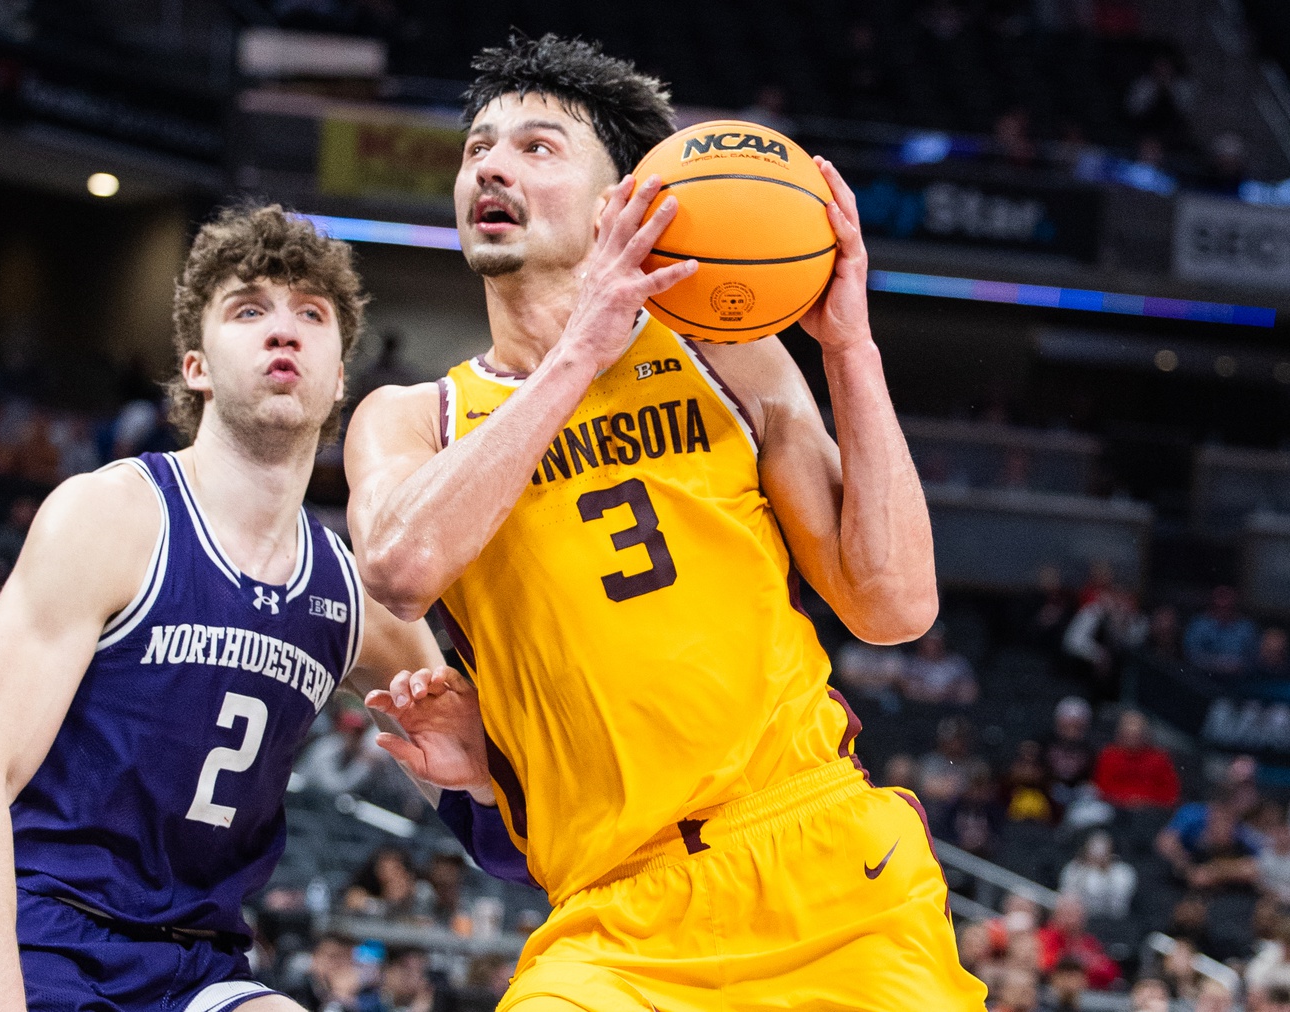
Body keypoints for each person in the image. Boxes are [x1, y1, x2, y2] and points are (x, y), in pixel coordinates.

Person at [347, 32, 985, 1010]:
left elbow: (893, 605)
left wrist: (851, 345)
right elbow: (399, 565)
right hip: (613, 918)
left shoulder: (731, 360)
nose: (491, 164)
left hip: (820, 863)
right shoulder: (410, 417)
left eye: (537, 145)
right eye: (478, 146)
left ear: (623, 203)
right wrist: (577, 350)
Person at [0, 205, 506, 1012]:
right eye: (249, 309)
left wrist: (484, 786)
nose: (283, 330)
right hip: (42, 933)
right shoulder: (112, 517)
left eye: (311, 314)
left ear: (340, 376)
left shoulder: (355, 593)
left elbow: (501, 844)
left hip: (199, 964)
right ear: (194, 365)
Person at [1156, 791, 1261, 891]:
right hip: (1185, 872)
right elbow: (1164, 842)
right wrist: (1188, 870)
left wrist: (1215, 871)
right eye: (1218, 819)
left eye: (1228, 820)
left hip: (1221, 882)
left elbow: (1256, 867)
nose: (1224, 826)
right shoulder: (1193, 815)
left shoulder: (1241, 831)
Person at [1092, 710, 1180, 809]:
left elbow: (1170, 793)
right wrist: (1127, 800)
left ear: (1146, 734)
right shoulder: (1109, 755)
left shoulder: (1160, 758)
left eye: (1137, 734)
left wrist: (1144, 801)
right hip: (1114, 809)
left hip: (1152, 810)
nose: (1133, 737)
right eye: (1128, 734)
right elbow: (1101, 789)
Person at [294, 707, 387, 796]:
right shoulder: (328, 748)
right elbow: (332, 788)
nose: (356, 738)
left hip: (314, 800)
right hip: (299, 798)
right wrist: (361, 765)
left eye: (358, 734)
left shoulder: (347, 751)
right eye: (353, 734)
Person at [1036, 895, 1120, 991]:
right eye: (1066, 913)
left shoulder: (1089, 942)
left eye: (1075, 914)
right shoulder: (1044, 937)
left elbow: (1110, 972)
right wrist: (1083, 961)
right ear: (1055, 916)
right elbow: (1045, 965)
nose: (1072, 919)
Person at [1059, 830, 1136, 919]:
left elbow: (1118, 905)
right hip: (1080, 917)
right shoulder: (1074, 868)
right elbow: (1067, 896)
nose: (1098, 853)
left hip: (1112, 920)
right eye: (1094, 848)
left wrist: (1105, 872)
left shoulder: (1123, 871)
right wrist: (1085, 871)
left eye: (1103, 848)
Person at [1184, 585, 1258, 677]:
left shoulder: (1246, 627)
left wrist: (1237, 665)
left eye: (1227, 599)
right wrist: (1218, 665)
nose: (1223, 604)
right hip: (1201, 679)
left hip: (1237, 681)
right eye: (1220, 598)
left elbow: (1253, 658)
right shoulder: (1199, 624)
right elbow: (1191, 654)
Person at [901, 624, 979, 704]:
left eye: (936, 640)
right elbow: (907, 688)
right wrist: (931, 694)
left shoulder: (956, 661)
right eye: (929, 640)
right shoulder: (912, 662)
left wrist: (947, 692)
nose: (932, 645)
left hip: (951, 708)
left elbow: (971, 689)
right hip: (920, 708)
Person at [1042, 697, 1095, 815]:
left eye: (1077, 724)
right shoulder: (1045, 743)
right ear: (1058, 722)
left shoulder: (1091, 747)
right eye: (1067, 724)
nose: (1072, 728)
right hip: (1048, 793)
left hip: (1080, 797)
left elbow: (1094, 778)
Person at [286, 933, 362, 1012]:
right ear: (315, 957)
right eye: (334, 956)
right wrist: (337, 1000)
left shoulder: (359, 992)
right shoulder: (296, 990)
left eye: (348, 958)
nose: (340, 964)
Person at [0, 497, 38, 582]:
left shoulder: (33, 538)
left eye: (29, 510)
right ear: (15, 510)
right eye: (23, 509)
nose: (26, 514)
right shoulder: (0, 534)